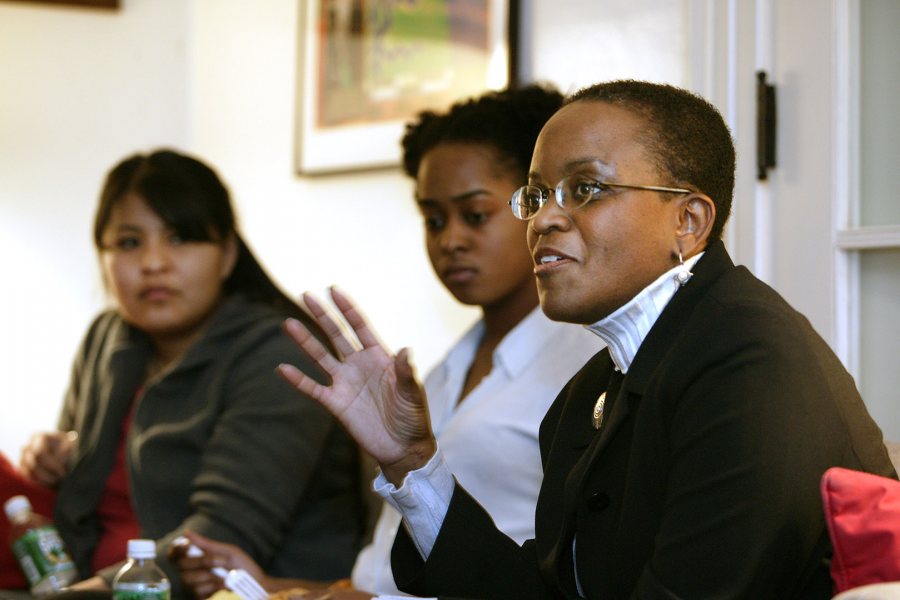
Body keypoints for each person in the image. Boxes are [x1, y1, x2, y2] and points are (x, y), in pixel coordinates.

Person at [275, 80, 898, 599]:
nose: (544, 217)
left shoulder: (746, 360)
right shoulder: (593, 389)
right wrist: (413, 465)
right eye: (540, 193)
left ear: (689, 220)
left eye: (586, 189)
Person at [174, 86, 601, 599]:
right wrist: (269, 585)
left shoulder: (582, 367)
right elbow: (379, 580)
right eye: (434, 219)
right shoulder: (444, 372)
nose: (450, 241)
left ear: (532, 205)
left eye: (475, 215)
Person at [0, 149, 367, 597]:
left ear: (228, 254)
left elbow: (217, 541)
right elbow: (75, 503)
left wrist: (77, 597)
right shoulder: (108, 336)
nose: (154, 262)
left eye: (179, 238)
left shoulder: (279, 353)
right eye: (129, 243)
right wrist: (53, 457)